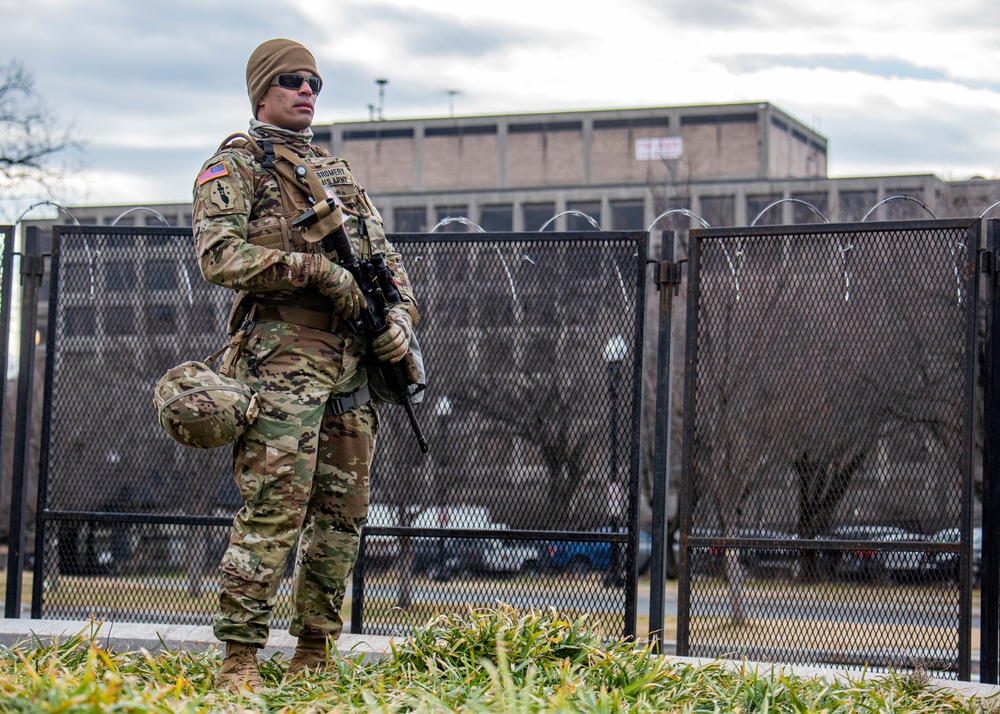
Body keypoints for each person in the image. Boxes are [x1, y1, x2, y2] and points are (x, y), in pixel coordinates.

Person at [191, 38, 418, 693]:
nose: (307, 90)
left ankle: (314, 653)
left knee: (341, 519)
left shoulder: (337, 174)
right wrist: (315, 271)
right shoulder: (236, 167)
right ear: (261, 89)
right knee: (272, 514)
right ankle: (238, 659)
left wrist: (397, 324)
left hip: (352, 367)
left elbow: (389, 264)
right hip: (282, 364)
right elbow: (218, 257)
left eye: (315, 81)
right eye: (291, 80)